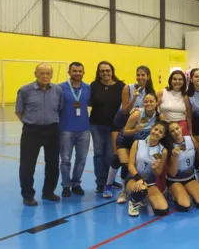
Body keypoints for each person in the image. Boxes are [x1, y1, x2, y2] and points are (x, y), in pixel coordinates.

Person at [15, 64, 63, 206]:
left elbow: (59, 109)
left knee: (53, 164)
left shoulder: (57, 90)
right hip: (31, 131)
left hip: (52, 130)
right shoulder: (25, 90)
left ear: (52, 75)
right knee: (27, 165)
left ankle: (48, 192)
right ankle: (28, 195)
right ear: (35, 74)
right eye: (41, 73)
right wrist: (29, 123)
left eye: (48, 73)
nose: (45, 76)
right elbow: (19, 111)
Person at [103, 93, 159, 201]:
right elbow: (125, 132)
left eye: (151, 101)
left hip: (139, 142)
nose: (148, 103)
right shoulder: (137, 114)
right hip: (126, 139)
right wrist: (135, 130)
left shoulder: (158, 116)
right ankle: (116, 188)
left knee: (134, 163)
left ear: (157, 103)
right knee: (124, 163)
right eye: (146, 101)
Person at [89, 61, 125, 193]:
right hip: (96, 125)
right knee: (99, 153)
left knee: (111, 154)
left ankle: (110, 180)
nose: (105, 73)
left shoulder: (121, 86)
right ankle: (100, 181)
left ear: (112, 71)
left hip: (114, 127)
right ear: (98, 73)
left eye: (107, 70)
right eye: (102, 71)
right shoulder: (94, 86)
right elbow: (90, 102)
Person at [126, 121, 172, 217]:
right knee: (141, 189)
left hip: (150, 183)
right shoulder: (137, 143)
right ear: (151, 129)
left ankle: (143, 197)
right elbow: (130, 165)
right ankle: (133, 202)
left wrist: (155, 168)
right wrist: (138, 179)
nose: (156, 133)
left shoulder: (163, 151)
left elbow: (158, 173)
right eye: (155, 129)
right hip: (134, 179)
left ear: (163, 136)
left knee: (162, 210)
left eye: (160, 132)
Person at [59, 62, 91, 197]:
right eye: (74, 71)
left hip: (84, 129)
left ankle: (76, 183)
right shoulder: (60, 88)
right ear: (69, 72)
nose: (77, 73)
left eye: (80, 71)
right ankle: (66, 185)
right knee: (65, 159)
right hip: (66, 130)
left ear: (83, 73)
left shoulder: (88, 88)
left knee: (81, 159)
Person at [166, 121, 199, 211]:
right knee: (185, 205)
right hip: (175, 180)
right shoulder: (169, 147)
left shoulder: (190, 139)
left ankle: (187, 190)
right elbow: (172, 174)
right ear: (169, 134)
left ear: (181, 127)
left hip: (190, 177)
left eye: (177, 128)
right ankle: (174, 192)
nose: (176, 132)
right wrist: (175, 157)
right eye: (172, 131)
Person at [158, 70, 190, 135]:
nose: (177, 81)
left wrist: (190, 131)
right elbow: (152, 107)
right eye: (174, 79)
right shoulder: (162, 92)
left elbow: (189, 116)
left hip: (182, 126)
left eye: (180, 79)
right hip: (166, 125)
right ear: (170, 80)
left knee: (181, 145)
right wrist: (159, 114)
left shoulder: (185, 96)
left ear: (184, 81)